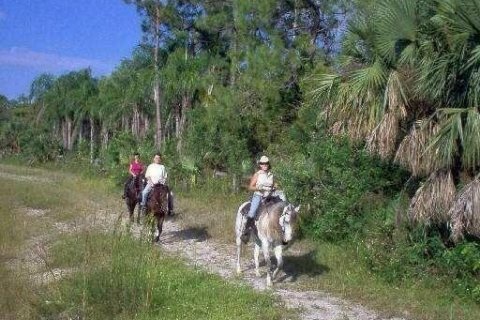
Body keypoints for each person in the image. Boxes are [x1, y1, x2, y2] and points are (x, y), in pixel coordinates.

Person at [241, 155, 276, 240]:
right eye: (263, 163)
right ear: (260, 164)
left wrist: (275, 186)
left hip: (269, 196)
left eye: (266, 163)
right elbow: (250, 187)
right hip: (259, 196)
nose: (265, 165)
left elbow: (274, 184)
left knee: (280, 209)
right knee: (252, 212)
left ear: (268, 164)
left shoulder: (271, 174)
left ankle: (280, 232)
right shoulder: (257, 174)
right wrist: (259, 188)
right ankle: (246, 233)